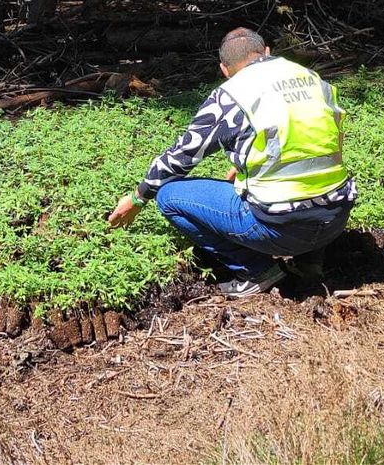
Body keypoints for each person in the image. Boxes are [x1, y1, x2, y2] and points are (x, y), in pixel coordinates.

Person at [106, 28, 356, 297]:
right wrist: (247, 160)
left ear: (224, 69)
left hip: (279, 228)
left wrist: (138, 197)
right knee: (313, 189)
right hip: (335, 218)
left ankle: (255, 271)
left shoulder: (233, 93)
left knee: (168, 196)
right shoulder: (312, 79)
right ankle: (310, 263)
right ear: (267, 52)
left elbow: (181, 156)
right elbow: (317, 137)